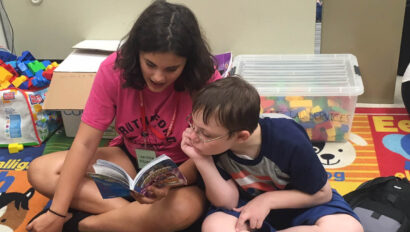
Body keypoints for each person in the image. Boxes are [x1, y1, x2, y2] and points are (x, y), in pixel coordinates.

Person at [26, 1, 221, 231]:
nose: (158, 77)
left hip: (179, 172)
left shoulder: (204, 78)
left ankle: (86, 224)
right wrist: (56, 211)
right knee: (40, 171)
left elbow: (212, 150)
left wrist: (169, 182)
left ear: (187, 64)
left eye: (171, 69)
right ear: (136, 52)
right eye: (150, 64)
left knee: (186, 207)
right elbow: (85, 142)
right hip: (128, 159)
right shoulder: (114, 69)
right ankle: (135, 218)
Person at [181, 76, 364, 232]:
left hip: (299, 204)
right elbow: (227, 203)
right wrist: (201, 160)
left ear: (241, 136)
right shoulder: (214, 146)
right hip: (245, 208)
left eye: (204, 133)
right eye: (192, 125)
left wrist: (267, 200)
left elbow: (323, 194)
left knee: (347, 227)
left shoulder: (288, 139)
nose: (194, 135)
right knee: (215, 226)